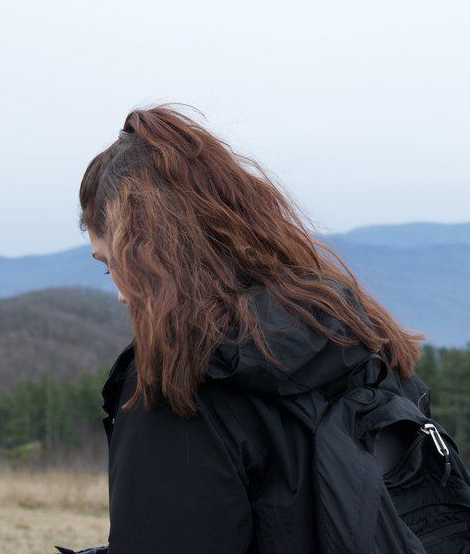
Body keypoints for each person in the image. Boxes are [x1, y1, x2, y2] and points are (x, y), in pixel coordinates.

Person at [77, 105, 429, 554]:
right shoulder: (357, 337)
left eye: (118, 265)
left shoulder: (180, 384)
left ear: (155, 256)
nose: (121, 294)